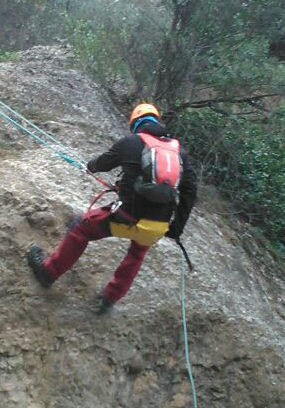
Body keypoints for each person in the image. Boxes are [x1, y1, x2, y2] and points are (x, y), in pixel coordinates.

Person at [27, 102, 197, 314]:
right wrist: (176, 228)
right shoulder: (180, 153)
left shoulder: (131, 142)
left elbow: (103, 163)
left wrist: (90, 166)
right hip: (156, 226)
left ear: (135, 124)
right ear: (157, 122)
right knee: (137, 253)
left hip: (126, 218)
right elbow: (190, 192)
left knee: (81, 229)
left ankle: (48, 272)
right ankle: (108, 299)